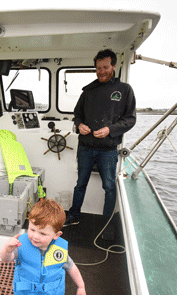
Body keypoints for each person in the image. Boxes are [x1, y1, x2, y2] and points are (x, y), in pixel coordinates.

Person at [64, 49, 136, 228]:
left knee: (109, 187)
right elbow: (77, 114)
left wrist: (110, 129)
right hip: (86, 147)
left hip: (108, 150)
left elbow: (130, 119)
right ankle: (74, 215)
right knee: (80, 184)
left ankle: (107, 224)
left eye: (105, 67)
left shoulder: (124, 90)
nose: (101, 71)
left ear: (113, 66)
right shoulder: (88, 91)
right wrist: (80, 125)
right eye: (98, 68)